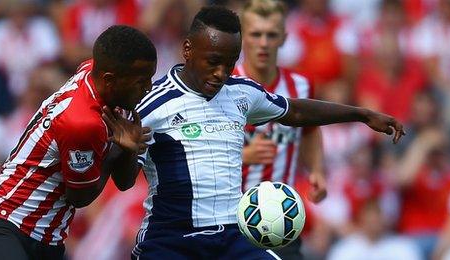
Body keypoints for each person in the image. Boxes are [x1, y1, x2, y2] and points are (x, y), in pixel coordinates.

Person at [132, 6, 403, 259]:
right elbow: (123, 178)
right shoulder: (153, 105)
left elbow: (296, 112)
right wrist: (126, 149)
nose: (221, 73)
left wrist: (362, 114)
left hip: (234, 235)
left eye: (229, 64)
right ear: (187, 49)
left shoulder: (243, 92)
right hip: (172, 239)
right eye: (213, 62)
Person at [0, 25, 157, 260]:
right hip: (4, 224)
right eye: (140, 81)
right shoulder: (82, 122)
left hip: (48, 239)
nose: (147, 88)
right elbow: (80, 197)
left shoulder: (99, 76)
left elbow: (124, 182)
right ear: (110, 80)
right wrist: (116, 152)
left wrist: (128, 150)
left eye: (150, 78)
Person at [233, 0, 325, 258]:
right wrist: (244, 156)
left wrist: (317, 170)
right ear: (243, 38)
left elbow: (310, 130)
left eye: (271, 35)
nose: (263, 43)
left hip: (283, 221)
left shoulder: (301, 87)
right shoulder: (224, 86)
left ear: (284, 38)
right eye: (256, 34)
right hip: (231, 217)